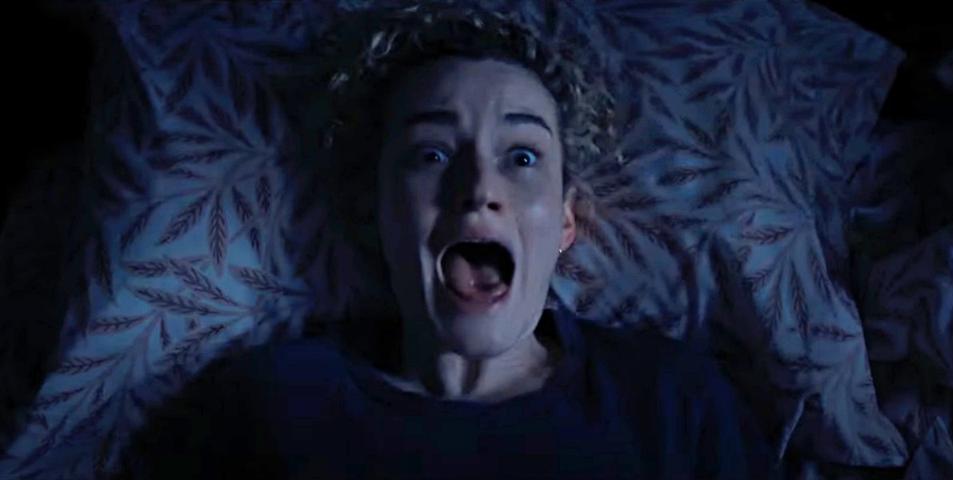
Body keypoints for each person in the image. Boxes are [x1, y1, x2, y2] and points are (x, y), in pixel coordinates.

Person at [120, 2, 780, 479]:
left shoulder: (671, 402)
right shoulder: (266, 406)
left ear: (566, 222)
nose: (479, 188)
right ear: (373, 209)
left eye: (522, 157)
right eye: (432, 154)